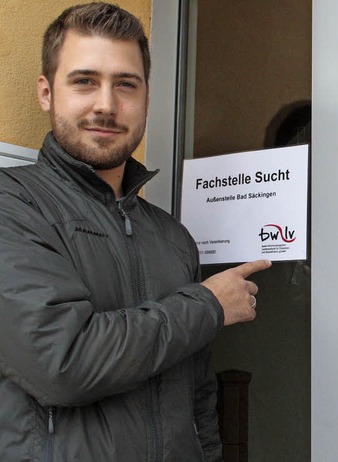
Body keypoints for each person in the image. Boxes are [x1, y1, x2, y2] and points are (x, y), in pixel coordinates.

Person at [0, 3, 271, 461]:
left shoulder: (172, 237)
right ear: (46, 93)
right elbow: (61, 364)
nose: (106, 104)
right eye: (84, 81)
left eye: (126, 84)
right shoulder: (14, 204)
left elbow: (199, 399)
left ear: (146, 97)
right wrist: (207, 305)